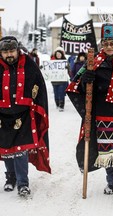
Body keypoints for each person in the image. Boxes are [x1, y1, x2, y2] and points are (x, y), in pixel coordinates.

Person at [66, 23, 113, 204]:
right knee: (107, 154)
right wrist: (86, 80)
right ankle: (112, 182)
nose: (109, 46)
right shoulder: (92, 62)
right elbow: (77, 87)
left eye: (112, 43)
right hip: (101, 116)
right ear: (102, 44)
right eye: (106, 43)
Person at [0, 36, 50, 197]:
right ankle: (11, 178)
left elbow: (38, 84)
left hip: (24, 115)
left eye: (11, 51)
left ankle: (23, 183)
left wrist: (36, 105)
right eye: (5, 51)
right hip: (3, 117)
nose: (9, 54)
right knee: (7, 150)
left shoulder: (29, 63)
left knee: (21, 151)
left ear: (17, 50)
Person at [50, 47, 70, 112]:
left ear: (62, 54)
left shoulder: (65, 62)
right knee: (56, 93)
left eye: (59, 54)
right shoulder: (51, 62)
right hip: (54, 81)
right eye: (57, 54)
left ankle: (61, 105)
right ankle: (57, 104)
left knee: (61, 93)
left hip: (62, 81)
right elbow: (48, 70)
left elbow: (69, 70)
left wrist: (67, 67)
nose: (58, 55)